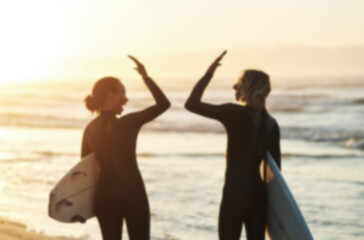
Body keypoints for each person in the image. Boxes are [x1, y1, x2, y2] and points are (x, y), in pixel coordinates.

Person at [185, 51, 281, 240]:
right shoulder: (272, 124)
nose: (234, 86)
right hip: (259, 199)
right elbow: (276, 173)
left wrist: (209, 73)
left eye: (239, 83)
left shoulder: (234, 113)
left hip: (234, 195)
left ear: (249, 87)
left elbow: (191, 104)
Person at [81, 55, 170, 240]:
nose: (126, 99)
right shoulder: (127, 123)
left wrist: (81, 206)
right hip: (132, 194)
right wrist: (145, 77)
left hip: (104, 199)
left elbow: (84, 171)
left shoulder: (89, 129)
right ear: (110, 96)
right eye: (122, 94)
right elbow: (164, 104)